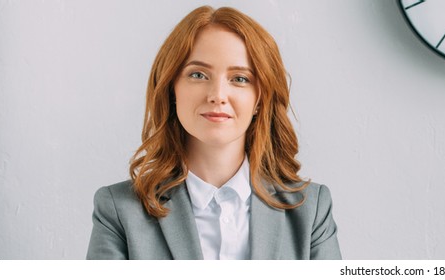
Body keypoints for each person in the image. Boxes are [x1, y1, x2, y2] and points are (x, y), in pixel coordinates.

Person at [86, 6, 341, 260]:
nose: (217, 95)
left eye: (240, 78)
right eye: (198, 74)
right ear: (171, 89)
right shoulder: (118, 210)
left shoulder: (311, 210)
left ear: (260, 99)